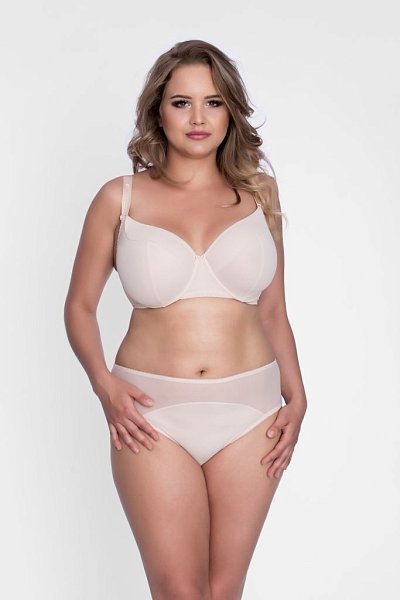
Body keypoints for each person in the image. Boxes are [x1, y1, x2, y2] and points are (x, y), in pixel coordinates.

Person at [64, 39, 307, 600]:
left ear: (231, 112)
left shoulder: (260, 192)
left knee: (224, 591)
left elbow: (273, 308)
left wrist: (297, 397)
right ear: (158, 110)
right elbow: (79, 305)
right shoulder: (118, 199)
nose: (198, 118)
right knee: (179, 590)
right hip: (152, 415)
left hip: (253, 413)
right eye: (181, 102)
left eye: (213, 102)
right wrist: (103, 385)